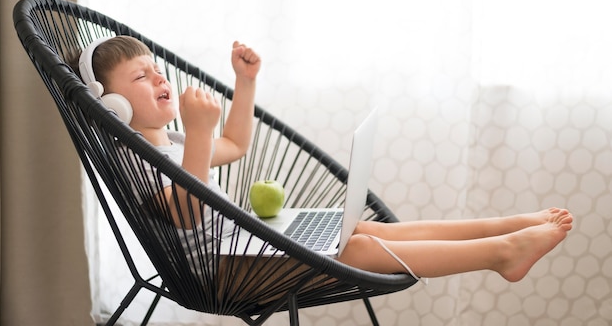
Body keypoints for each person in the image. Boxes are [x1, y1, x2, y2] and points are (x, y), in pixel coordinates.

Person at [71, 35, 573, 286]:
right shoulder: (134, 155)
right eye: (140, 78)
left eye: (157, 71)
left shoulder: (173, 141)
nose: (160, 81)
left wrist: (244, 83)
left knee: (366, 232)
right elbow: (185, 212)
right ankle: (499, 254)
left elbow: (237, 145)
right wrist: (200, 134)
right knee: (351, 250)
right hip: (217, 270)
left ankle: (502, 228)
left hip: (246, 242)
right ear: (110, 105)